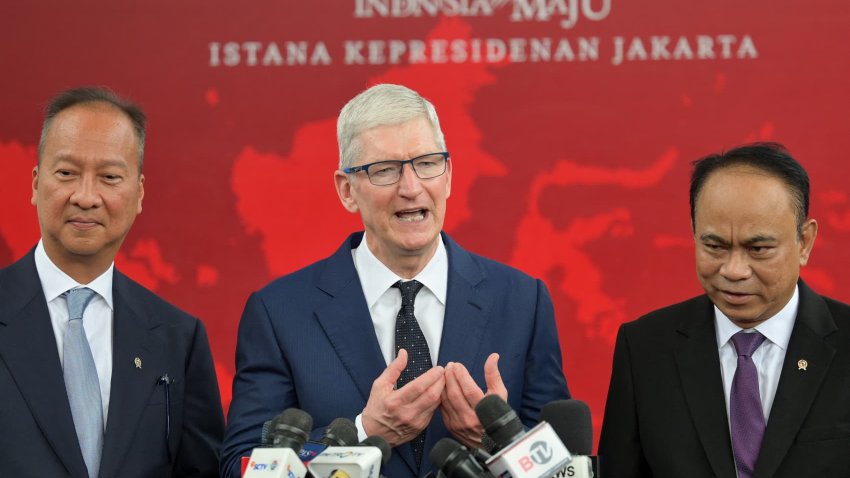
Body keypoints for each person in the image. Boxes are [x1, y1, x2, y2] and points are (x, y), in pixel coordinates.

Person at [220, 83, 569, 478]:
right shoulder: (280, 313)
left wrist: (495, 439)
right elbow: (240, 467)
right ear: (347, 190)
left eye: (426, 163)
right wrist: (363, 432)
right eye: (384, 170)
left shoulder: (522, 301)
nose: (410, 187)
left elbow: (565, 467)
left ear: (449, 175)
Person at [0, 87, 225, 478]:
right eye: (67, 173)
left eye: (109, 177)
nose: (86, 197)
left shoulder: (177, 338)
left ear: (138, 193)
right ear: (36, 183)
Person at [599, 142, 850, 477]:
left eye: (758, 248)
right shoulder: (645, 347)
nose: (734, 270)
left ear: (804, 242)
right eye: (714, 246)